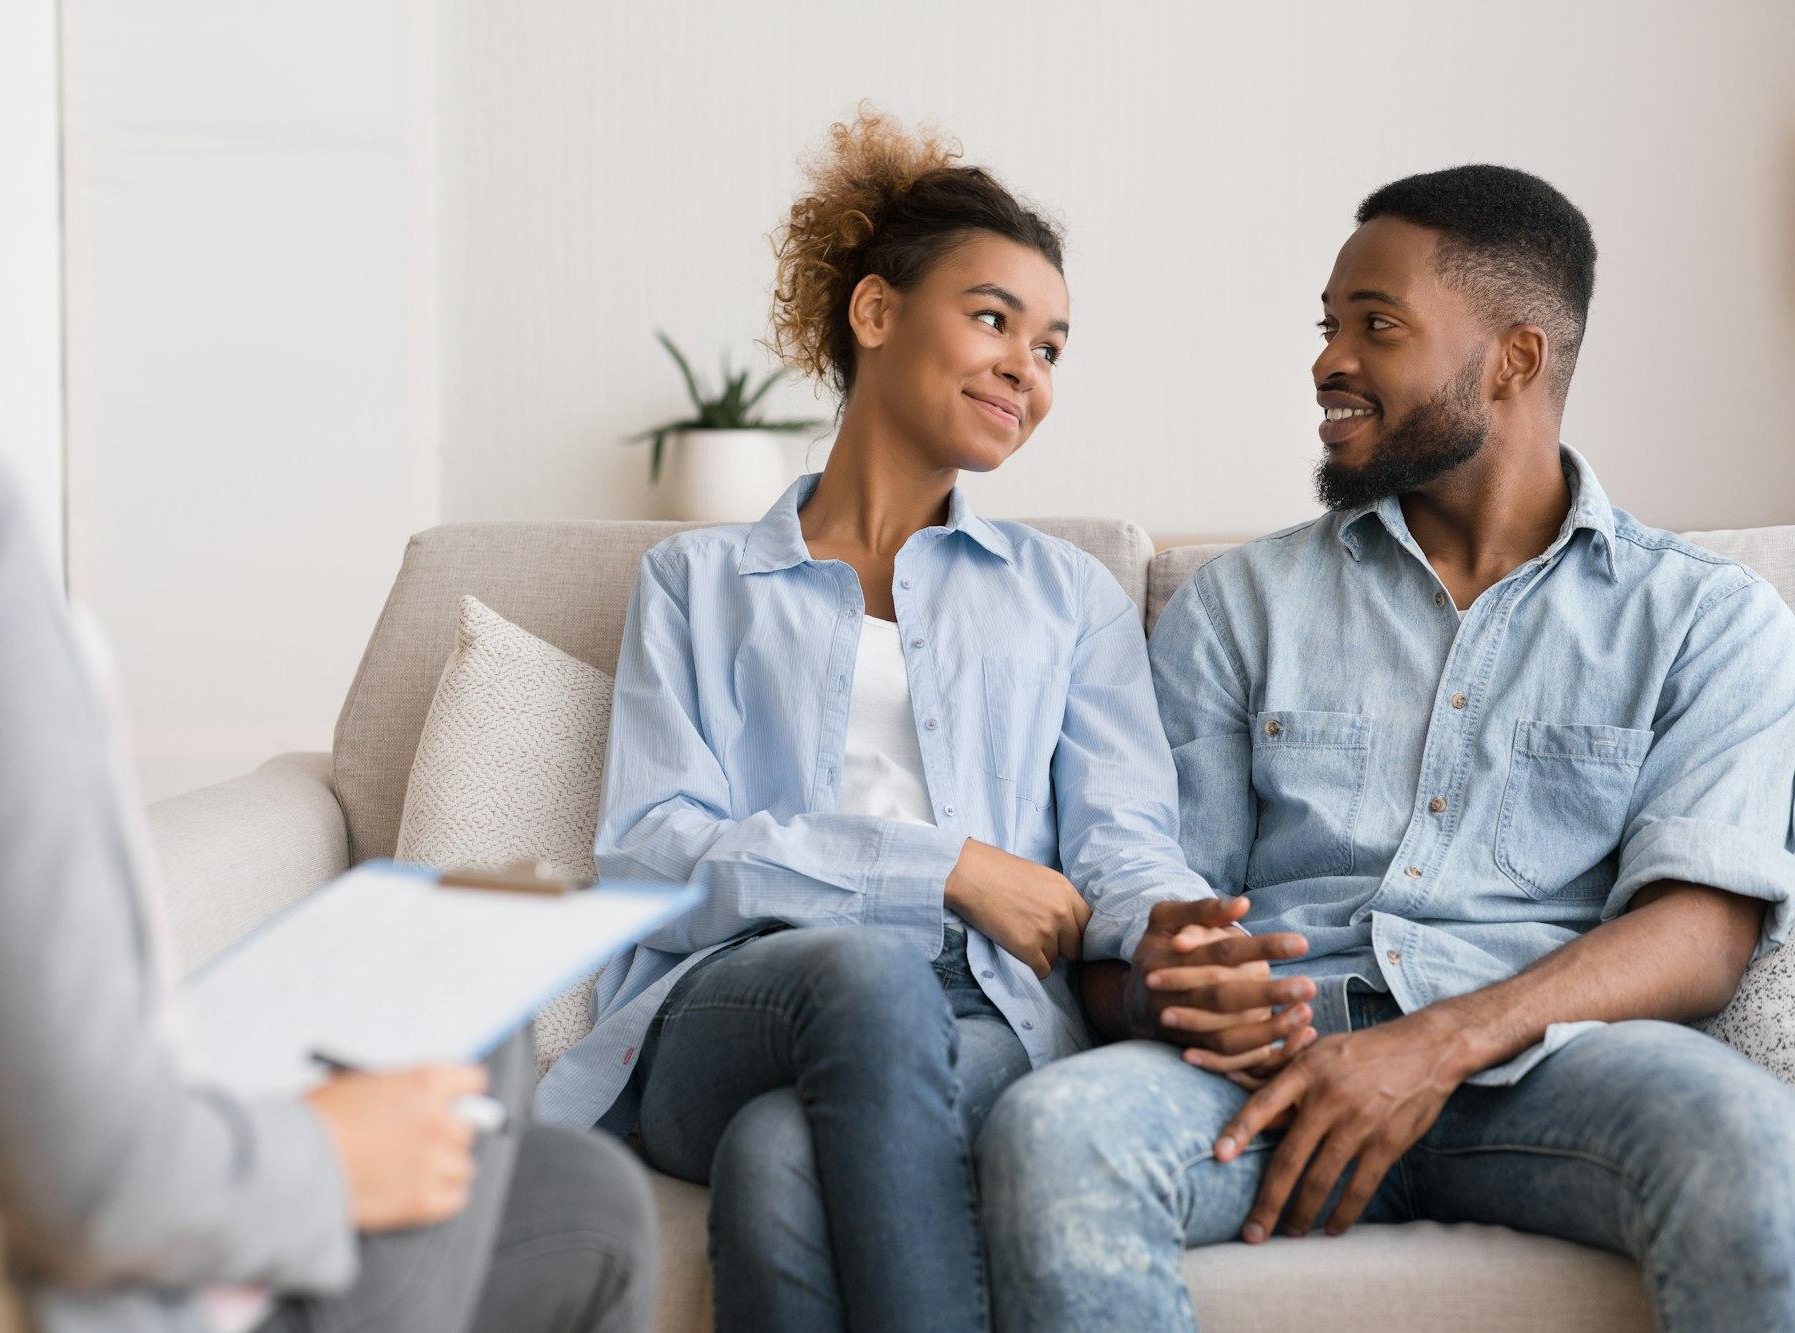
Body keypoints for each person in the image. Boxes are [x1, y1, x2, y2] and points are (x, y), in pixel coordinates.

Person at [0, 2, 653, 1329]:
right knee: (467, 1029)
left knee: (576, 1198)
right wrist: (328, 1151)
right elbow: (104, 1194)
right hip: (84, 1280)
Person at [978, 164, 1795, 1331]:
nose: (1326, 361)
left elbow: (1701, 930)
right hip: (1271, 1069)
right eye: (1328, 326)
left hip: (1548, 1066)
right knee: (1053, 1133)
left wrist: (1434, 1045)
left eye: (1377, 326)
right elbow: (1140, 912)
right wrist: (1160, 978)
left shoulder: (1708, 619)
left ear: (1514, 359)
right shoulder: (1234, 606)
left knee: (1748, 1137)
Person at [534, 107, 1299, 1333]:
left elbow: (1119, 838)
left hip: (983, 1007)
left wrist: (1171, 928)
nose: (1024, 368)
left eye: (1050, 346)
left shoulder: (1068, 598)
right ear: (876, 313)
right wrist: (938, 867)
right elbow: (655, 845)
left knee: (779, 1159)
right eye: (992, 319)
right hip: (741, 993)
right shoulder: (698, 582)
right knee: (856, 972)